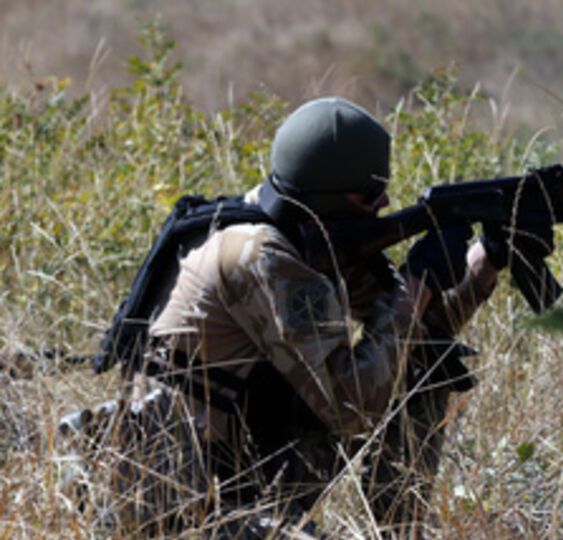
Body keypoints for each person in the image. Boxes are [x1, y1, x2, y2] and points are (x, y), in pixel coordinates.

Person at [107, 96, 513, 537]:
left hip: (237, 472)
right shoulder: (258, 254)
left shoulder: (301, 232)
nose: (384, 201)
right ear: (326, 199)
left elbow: (419, 336)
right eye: (370, 195)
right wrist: (416, 284)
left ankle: (399, 530)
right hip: (183, 505)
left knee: (421, 366)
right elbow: (351, 407)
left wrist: (487, 259)